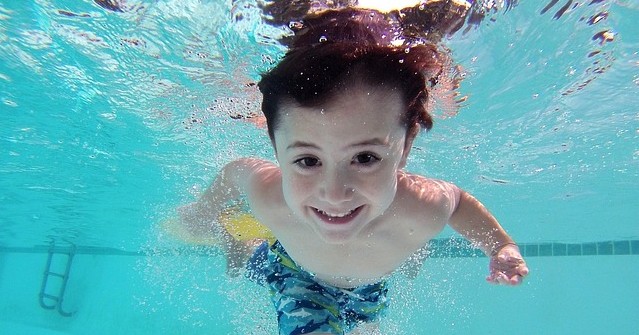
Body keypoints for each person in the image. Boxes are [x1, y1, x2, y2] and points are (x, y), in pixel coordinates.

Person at [175, 3, 529, 334]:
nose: (334, 194)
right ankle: (239, 242)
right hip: (294, 272)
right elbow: (237, 171)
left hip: (369, 288)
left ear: (405, 147)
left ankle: (243, 243)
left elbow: (458, 202)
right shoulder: (270, 196)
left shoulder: (424, 205)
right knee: (272, 280)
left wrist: (501, 247)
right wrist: (205, 211)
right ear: (276, 150)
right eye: (308, 161)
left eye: (364, 158)